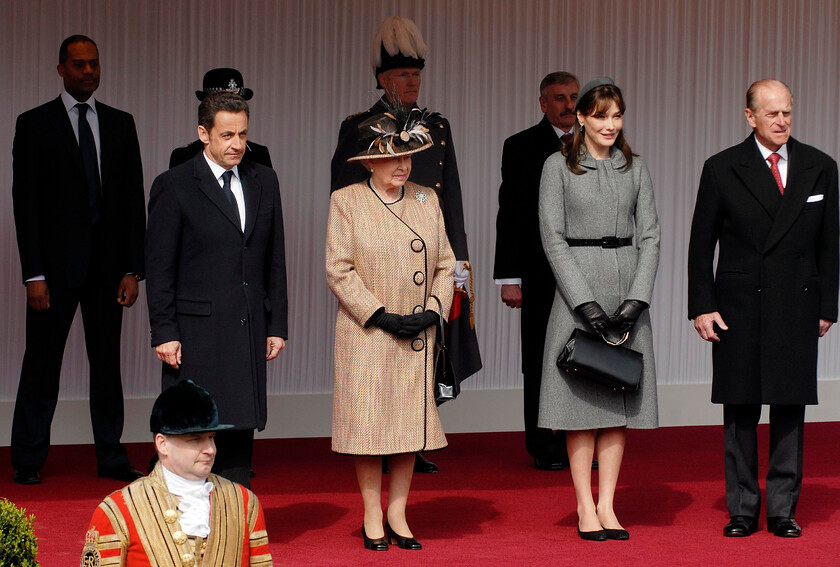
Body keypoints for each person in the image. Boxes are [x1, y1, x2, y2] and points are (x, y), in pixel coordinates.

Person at [330, 17, 482, 475]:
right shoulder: (359, 126)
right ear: (382, 78)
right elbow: (346, 192)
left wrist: (461, 266)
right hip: (381, 262)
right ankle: (386, 438)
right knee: (383, 354)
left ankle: (414, 435)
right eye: (402, 75)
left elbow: (449, 194)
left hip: (434, 255)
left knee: (438, 340)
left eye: (417, 74)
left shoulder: (437, 125)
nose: (411, 82)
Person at [687, 79, 838, 538]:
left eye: (788, 112)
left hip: (797, 302)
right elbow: (700, 247)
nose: (782, 121)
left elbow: (831, 244)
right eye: (772, 113)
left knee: (790, 407)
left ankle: (782, 510)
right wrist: (702, 307)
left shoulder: (820, 166)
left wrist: (827, 305)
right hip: (738, 305)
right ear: (749, 116)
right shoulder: (721, 168)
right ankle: (742, 509)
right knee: (740, 408)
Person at [10, 34, 146, 485]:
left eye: (94, 63)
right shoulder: (33, 125)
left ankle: (110, 457)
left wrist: (133, 268)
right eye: (79, 64)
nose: (89, 71)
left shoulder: (121, 124)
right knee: (41, 366)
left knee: (107, 367)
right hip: (53, 273)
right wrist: (34, 273)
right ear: (61, 69)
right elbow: (25, 205)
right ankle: (27, 459)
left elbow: (131, 201)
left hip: (109, 273)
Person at [326, 106, 455, 550]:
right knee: (369, 430)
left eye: (410, 156)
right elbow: (338, 270)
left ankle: (398, 513)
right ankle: (371, 515)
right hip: (368, 333)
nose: (404, 165)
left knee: (405, 427)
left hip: (417, 333)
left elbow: (445, 263)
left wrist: (435, 310)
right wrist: (380, 316)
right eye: (395, 156)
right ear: (370, 160)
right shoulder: (346, 201)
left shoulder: (426, 198)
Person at [145, 91, 289, 489]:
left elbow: (274, 258)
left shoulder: (264, 180)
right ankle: (182, 528)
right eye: (227, 135)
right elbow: (159, 269)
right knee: (191, 433)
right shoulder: (174, 185)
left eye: (242, 134)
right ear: (203, 134)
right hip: (195, 337)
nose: (237, 144)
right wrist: (165, 331)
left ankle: (234, 525)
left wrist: (277, 324)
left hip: (246, 330)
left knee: (240, 431)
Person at [538, 77, 660, 541]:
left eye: (617, 115)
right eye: (602, 115)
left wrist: (636, 300)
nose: (611, 124)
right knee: (579, 406)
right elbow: (552, 238)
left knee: (617, 400)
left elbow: (650, 235)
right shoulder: (557, 167)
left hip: (628, 289)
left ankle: (608, 504)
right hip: (578, 292)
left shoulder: (636, 167)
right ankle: (584, 506)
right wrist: (584, 304)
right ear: (582, 118)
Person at [80, 380, 273, 566]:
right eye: (196, 439)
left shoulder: (244, 502)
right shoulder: (118, 510)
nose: (210, 449)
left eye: (211, 438)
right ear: (162, 444)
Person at [493, 71, 580, 471]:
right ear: (543, 103)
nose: (569, 105)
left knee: (586, 355)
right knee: (541, 358)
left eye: (575, 96)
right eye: (559, 97)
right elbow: (510, 214)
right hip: (539, 271)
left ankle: (580, 440)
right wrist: (509, 278)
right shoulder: (521, 146)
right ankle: (543, 444)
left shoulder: (597, 142)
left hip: (587, 271)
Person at [169, 68, 273, 169]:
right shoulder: (183, 156)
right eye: (220, 104)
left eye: (237, 103)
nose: (231, 108)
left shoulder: (259, 155)